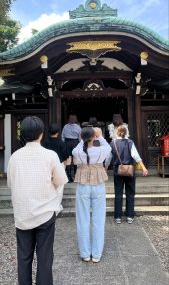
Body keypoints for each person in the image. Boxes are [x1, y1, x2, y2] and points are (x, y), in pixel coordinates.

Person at [7, 116, 68, 285]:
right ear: (41, 134)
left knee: (24, 257)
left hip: (23, 213)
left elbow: (11, 183)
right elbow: (60, 181)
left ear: (22, 134)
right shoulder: (50, 155)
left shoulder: (14, 157)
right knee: (45, 257)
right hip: (45, 212)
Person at [72, 127, 111, 263]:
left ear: (82, 138)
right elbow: (108, 147)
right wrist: (99, 136)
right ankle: (96, 254)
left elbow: (76, 149)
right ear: (93, 137)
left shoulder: (78, 151)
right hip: (98, 185)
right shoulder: (101, 150)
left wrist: (82, 138)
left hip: (83, 186)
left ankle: (85, 254)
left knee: (82, 219)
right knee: (99, 220)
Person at [105, 125, 148, 224]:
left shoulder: (113, 143)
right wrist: (143, 167)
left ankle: (118, 217)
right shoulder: (130, 142)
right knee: (130, 193)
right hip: (129, 170)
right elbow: (136, 156)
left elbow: (108, 158)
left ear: (116, 132)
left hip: (118, 170)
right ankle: (129, 216)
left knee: (118, 193)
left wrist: (106, 167)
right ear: (126, 132)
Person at [62, 114, 82, 182]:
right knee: (76, 160)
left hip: (67, 143)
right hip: (75, 143)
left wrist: (64, 143)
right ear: (75, 119)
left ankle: (69, 177)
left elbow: (62, 136)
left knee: (68, 160)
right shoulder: (78, 127)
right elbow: (80, 137)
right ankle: (76, 177)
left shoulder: (65, 126)